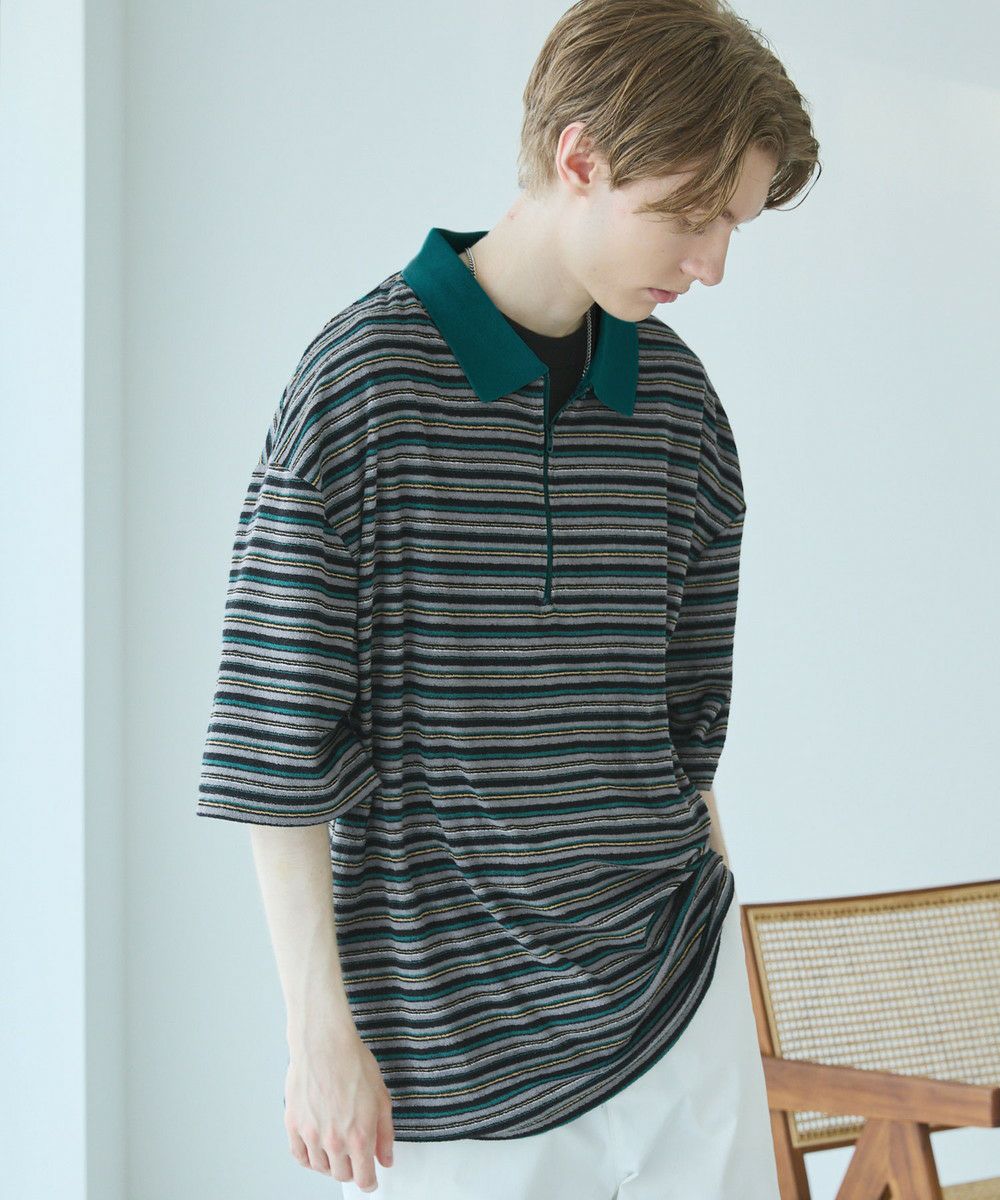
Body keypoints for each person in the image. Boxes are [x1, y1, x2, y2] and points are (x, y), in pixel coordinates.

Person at [196, 0, 820, 1195]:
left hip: (678, 999)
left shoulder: (680, 408)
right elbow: (277, 742)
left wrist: (731, 968)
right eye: (691, 217)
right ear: (580, 159)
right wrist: (315, 1034)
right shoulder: (360, 388)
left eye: (731, 226)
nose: (712, 264)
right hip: (447, 1043)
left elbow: (686, 741)